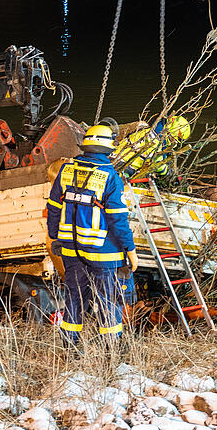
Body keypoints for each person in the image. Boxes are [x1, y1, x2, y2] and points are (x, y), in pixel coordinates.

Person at [46, 124, 138, 346]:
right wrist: (130, 249)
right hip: (103, 253)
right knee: (109, 303)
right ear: (108, 150)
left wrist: (55, 236)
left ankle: (69, 347)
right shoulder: (110, 177)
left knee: (74, 301)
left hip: (71, 251)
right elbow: (117, 219)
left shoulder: (66, 171)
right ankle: (111, 350)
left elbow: (53, 208)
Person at [113, 115, 191, 177]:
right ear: (170, 132)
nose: (174, 142)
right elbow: (158, 165)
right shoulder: (155, 141)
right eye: (175, 139)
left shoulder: (154, 131)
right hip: (122, 164)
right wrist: (167, 172)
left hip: (119, 158)